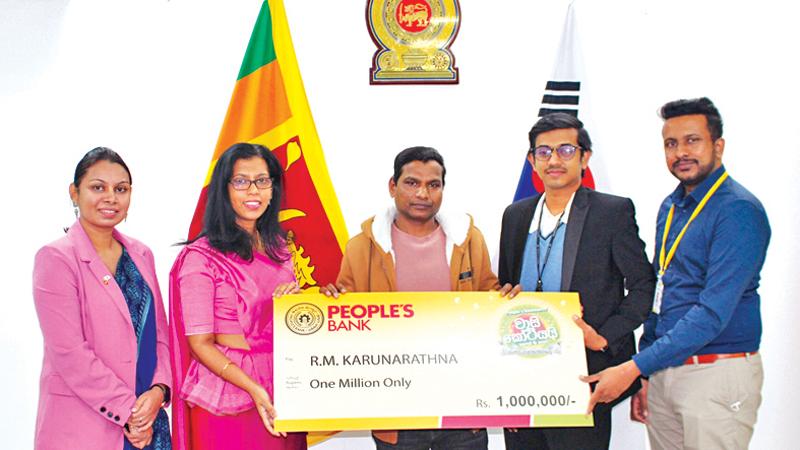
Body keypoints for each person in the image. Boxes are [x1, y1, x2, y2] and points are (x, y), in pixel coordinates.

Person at [582, 98, 770, 450]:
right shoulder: (671, 206)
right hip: (665, 371)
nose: (681, 152)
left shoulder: (738, 211)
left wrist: (633, 368)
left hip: (714, 373)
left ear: (718, 145)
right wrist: (649, 375)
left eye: (692, 140)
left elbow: (711, 313)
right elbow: (662, 293)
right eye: (671, 143)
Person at [322, 146, 517, 450]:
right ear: (393, 186)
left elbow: (488, 298)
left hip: (463, 407)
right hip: (396, 411)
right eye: (412, 183)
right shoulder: (362, 247)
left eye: (433, 185)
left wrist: (505, 301)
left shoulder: (468, 240)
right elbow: (347, 315)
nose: (423, 194)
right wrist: (331, 302)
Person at [498, 113, 655, 449]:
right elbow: (505, 287)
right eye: (543, 152)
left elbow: (643, 284)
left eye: (566, 150)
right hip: (523, 382)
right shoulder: (515, 215)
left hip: (585, 380)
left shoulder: (612, 212)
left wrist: (604, 337)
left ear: (585, 158)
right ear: (532, 160)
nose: (554, 160)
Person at [169, 143, 307, 450]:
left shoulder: (281, 249)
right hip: (229, 393)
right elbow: (200, 343)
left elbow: (287, 323)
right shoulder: (200, 258)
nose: (253, 191)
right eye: (241, 181)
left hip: (286, 385)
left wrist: (297, 304)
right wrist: (254, 389)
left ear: (274, 189)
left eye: (263, 180)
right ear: (224, 189)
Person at [32, 147, 172, 450]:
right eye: (98, 187)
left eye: (120, 189)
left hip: (149, 420)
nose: (111, 198)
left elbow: (161, 335)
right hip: (87, 426)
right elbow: (70, 353)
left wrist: (160, 390)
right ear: (74, 192)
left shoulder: (142, 254)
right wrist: (130, 413)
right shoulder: (56, 258)